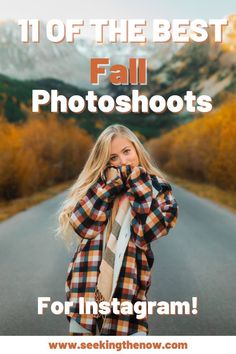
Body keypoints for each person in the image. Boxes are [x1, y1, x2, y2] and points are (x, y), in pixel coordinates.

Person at [56, 124, 179, 336]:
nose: (122, 161)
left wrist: (137, 183)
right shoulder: (97, 187)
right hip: (85, 283)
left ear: (137, 149)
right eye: (113, 158)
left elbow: (146, 232)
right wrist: (112, 186)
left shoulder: (158, 188)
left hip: (128, 286)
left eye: (126, 152)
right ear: (104, 161)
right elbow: (82, 224)